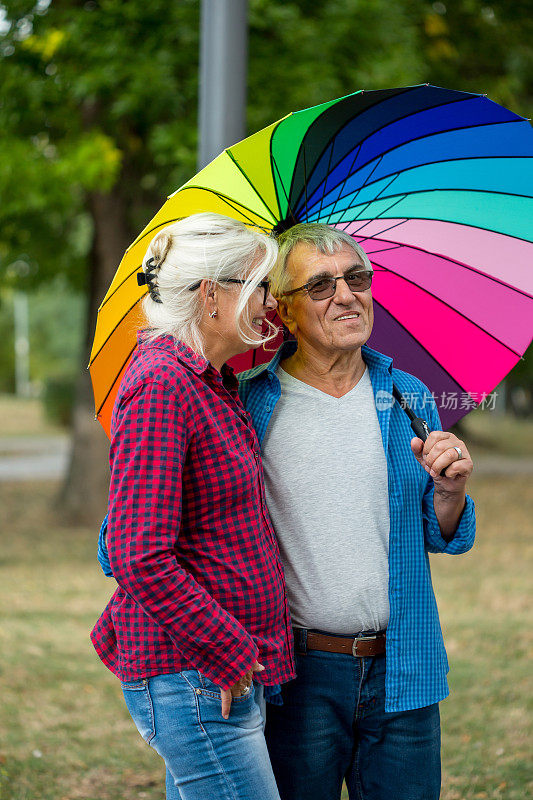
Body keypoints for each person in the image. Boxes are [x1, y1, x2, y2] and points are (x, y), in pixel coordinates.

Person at [238, 222, 476, 800]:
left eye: (357, 278)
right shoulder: (249, 403)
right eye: (320, 286)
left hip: (404, 665)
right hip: (297, 675)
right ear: (285, 314)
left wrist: (450, 491)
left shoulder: (408, 394)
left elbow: (442, 535)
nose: (346, 295)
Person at [90, 212, 295, 800]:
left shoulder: (209, 382)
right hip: (195, 676)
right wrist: (229, 654)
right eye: (259, 288)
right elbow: (137, 555)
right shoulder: (162, 384)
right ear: (212, 294)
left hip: (211, 673)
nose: (269, 307)